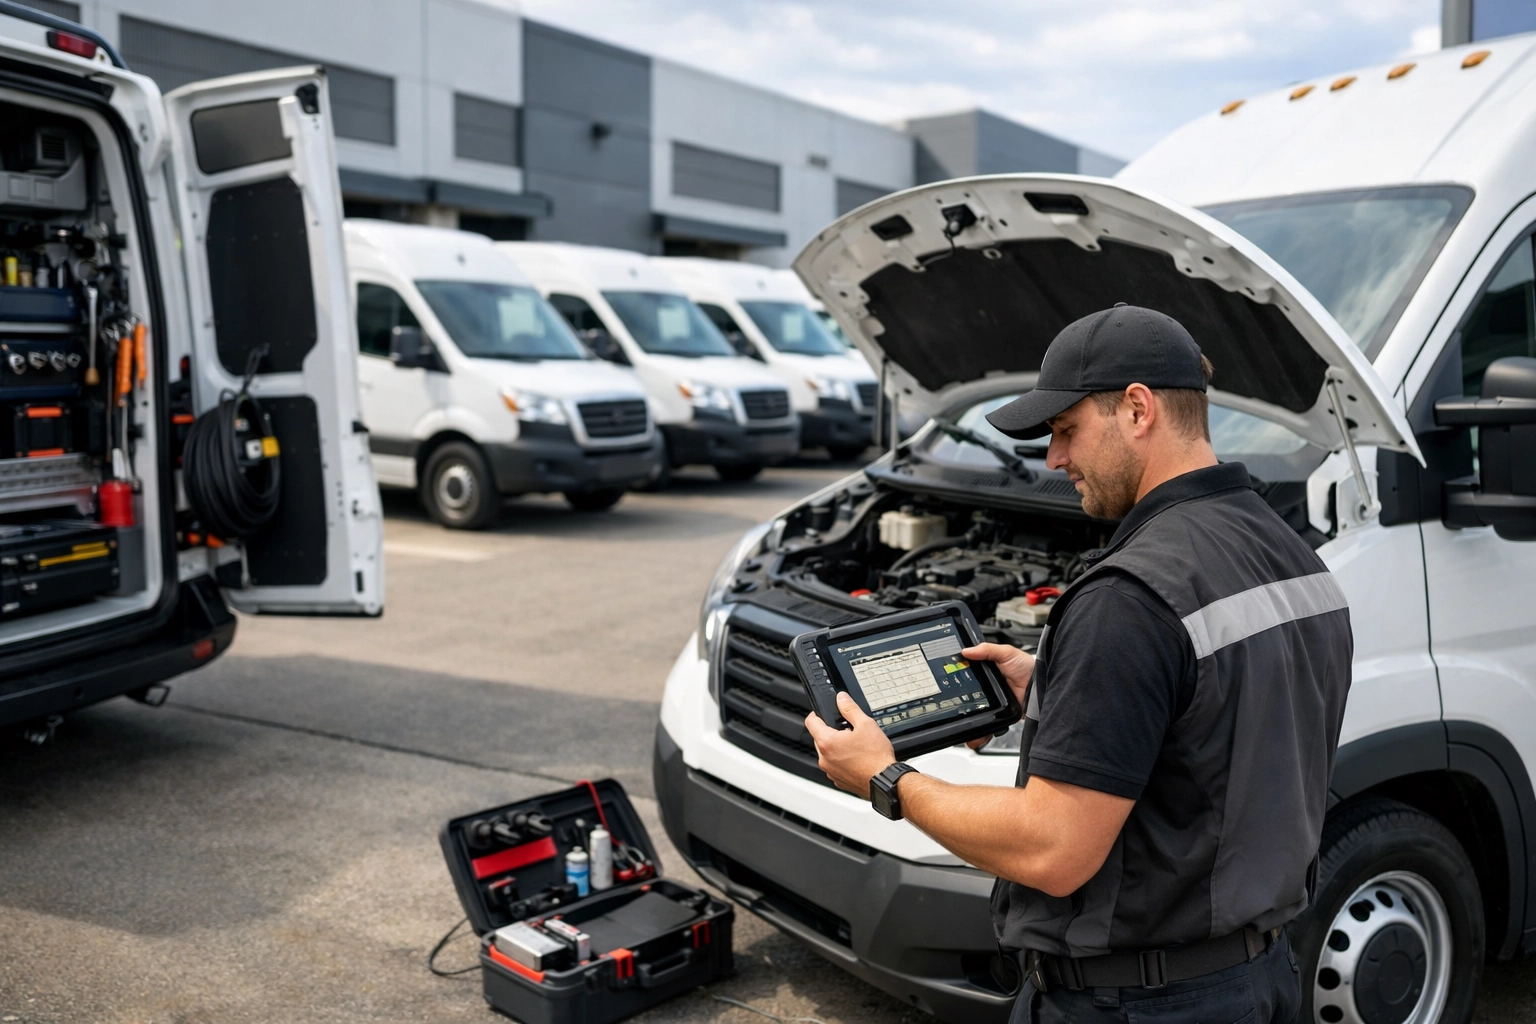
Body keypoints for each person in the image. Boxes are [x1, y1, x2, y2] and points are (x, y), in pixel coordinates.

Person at [805, 304, 1352, 1023]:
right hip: (1261, 978)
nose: (1055, 459)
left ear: (1136, 409)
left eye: (1066, 432)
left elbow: (1053, 849)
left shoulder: (1130, 599)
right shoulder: (1293, 557)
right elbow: (1226, 726)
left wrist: (886, 779)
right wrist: (1058, 690)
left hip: (1135, 1002)